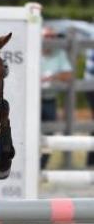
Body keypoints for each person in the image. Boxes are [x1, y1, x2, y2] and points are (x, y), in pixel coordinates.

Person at [40, 26, 72, 169]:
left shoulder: (59, 52)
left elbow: (68, 75)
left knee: (50, 134)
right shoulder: (32, 50)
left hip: (49, 99)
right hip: (31, 101)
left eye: (53, 37)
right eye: (47, 37)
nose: (51, 40)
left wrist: (52, 77)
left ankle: (42, 166)